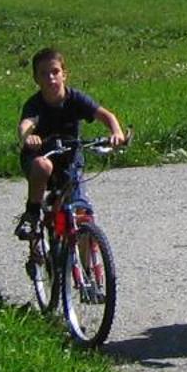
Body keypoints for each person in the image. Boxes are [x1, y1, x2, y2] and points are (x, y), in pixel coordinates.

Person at [15, 47, 126, 239]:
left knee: (81, 215)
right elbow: (26, 124)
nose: (51, 78)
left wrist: (116, 132)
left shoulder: (75, 98)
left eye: (55, 72)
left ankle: (90, 266)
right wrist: (27, 137)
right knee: (43, 166)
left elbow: (105, 115)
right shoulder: (35, 104)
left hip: (70, 160)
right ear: (36, 79)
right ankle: (32, 213)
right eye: (44, 74)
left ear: (64, 74)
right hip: (41, 157)